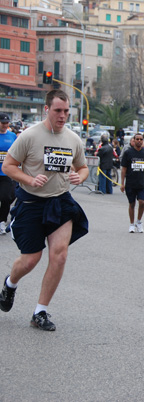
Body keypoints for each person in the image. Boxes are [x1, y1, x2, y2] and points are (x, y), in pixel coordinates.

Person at [0, 89, 89, 331]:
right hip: (31, 203)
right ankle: (10, 283)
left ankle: (40, 311)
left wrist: (79, 177)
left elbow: (83, 168)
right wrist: (29, 180)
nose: (62, 116)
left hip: (60, 202)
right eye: (58, 110)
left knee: (59, 255)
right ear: (46, 109)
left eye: (66, 111)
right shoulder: (29, 136)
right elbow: (8, 166)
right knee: (31, 260)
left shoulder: (73, 139)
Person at [120, 133, 144, 233]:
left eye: (141, 139)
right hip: (130, 183)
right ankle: (131, 224)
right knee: (131, 204)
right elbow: (123, 169)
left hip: (142, 183)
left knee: (142, 202)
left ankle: (139, 222)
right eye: (137, 139)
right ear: (133, 140)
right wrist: (122, 183)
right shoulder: (128, 153)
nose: (139, 141)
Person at [0, 113, 17, 234]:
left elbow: (18, 152)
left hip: (6, 173)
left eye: (7, 123)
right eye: (3, 123)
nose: (5, 125)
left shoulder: (12, 136)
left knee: (6, 198)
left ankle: (2, 221)